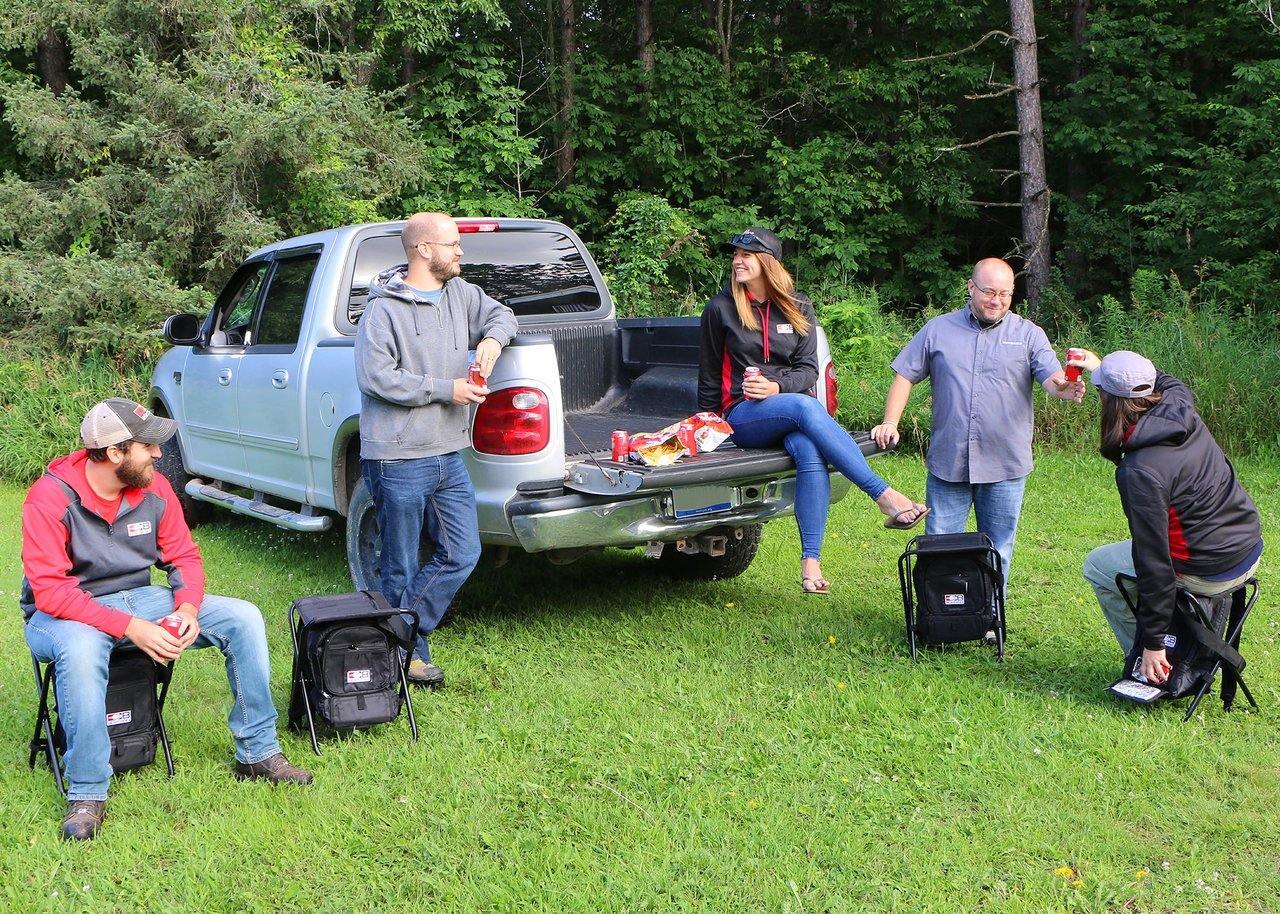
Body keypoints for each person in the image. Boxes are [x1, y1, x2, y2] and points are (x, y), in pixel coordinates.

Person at [21, 399, 312, 842]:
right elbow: (51, 591)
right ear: (114, 453)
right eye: (148, 446)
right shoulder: (50, 497)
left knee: (243, 617)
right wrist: (130, 627)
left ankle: (257, 753)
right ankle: (87, 793)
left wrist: (187, 609)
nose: (159, 454)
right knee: (80, 651)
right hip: (61, 613)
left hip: (138, 598)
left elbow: (184, 558)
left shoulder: (155, 490)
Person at [697, 227, 928, 596]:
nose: (738, 261)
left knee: (808, 449)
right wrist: (706, 426)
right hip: (740, 415)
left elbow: (808, 369)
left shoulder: (798, 305)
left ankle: (811, 563)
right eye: (736, 255)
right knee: (806, 406)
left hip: (788, 409)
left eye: (747, 254)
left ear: (768, 262)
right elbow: (709, 375)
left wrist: (776, 387)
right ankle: (884, 496)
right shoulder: (720, 308)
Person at [355, 212, 518, 687]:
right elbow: (376, 378)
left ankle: (396, 635)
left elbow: (502, 314)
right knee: (399, 562)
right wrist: (446, 389)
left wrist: (491, 339)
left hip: (448, 454)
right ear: (423, 250)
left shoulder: (460, 295)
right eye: (452, 245)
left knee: (463, 553)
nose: (460, 252)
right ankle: (409, 655)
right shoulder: (383, 310)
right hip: (398, 457)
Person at [871, 258, 1084, 588]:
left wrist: (1066, 388)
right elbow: (904, 375)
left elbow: (1052, 379)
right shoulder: (938, 329)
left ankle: (990, 619)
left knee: (998, 548)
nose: (996, 301)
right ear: (971, 288)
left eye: (1004, 294)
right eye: (988, 292)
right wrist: (890, 421)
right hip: (948, 462)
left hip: (1005, 464)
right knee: (940, 546)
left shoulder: (1029, 335)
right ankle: (940, 618)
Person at [1075, 350, 1262, 685]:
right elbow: (1161, 377)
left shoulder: (1140, 471)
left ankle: (1153, 662)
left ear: (1105, 400)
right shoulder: (1179, 404)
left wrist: (1154, 642)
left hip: (1208, 569)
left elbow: (1154, 564)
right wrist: (1103, 367)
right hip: (1247, 547)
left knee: (1098, 565)